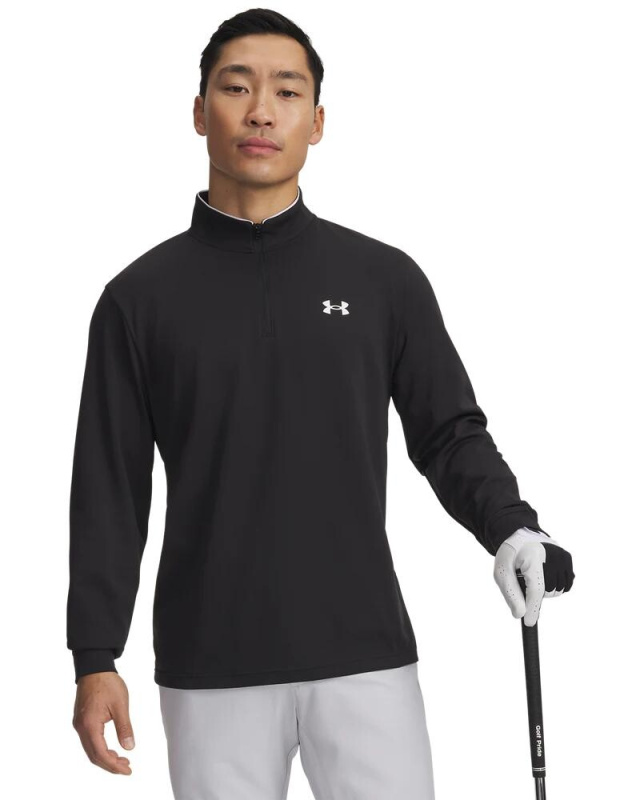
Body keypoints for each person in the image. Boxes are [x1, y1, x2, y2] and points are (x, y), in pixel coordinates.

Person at [67, 8, 575, 799]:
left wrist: (511, 526)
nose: (261, 111)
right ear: (199, 112)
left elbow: (448, 432)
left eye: (287, 91)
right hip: (211, 668)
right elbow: (110, 488)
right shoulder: (139, 300)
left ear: (318, 121)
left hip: (366, 655)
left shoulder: (382, 280)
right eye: (236, 87)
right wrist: (95, 655)